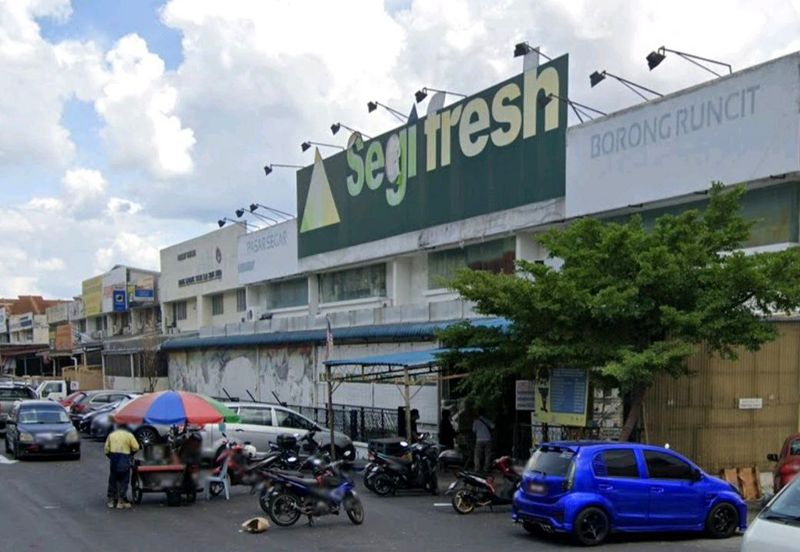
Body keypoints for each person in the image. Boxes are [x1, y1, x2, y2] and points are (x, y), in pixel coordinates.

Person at [104, 422, 140, 509]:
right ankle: (121, 500)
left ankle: (111, 500)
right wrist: (131, 454)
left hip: (114, 459)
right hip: (125, 458)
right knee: (124, 480)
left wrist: (111, 457)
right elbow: (136, 447)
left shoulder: (111, 435)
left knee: (113, 479)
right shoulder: (129, 435)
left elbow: (106, 449)